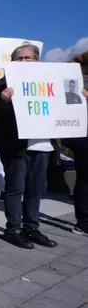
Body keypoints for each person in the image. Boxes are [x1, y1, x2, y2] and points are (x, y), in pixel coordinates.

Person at [0, 42, 57, 249]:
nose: (25, 61)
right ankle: (14, 229)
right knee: (15, 188)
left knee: (36, 190)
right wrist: (3, 101)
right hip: (16, 146)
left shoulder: (49, 83)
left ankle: (31, 228)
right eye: (21, 58)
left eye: (30, 58)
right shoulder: (3, 84)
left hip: (41, 144)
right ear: (13, 62)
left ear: (37, 61)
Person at [61, 52, 88, 236]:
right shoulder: (76, 78)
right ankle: (84, 222)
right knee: (86, 178)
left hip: (79, 135)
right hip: (82, 134)